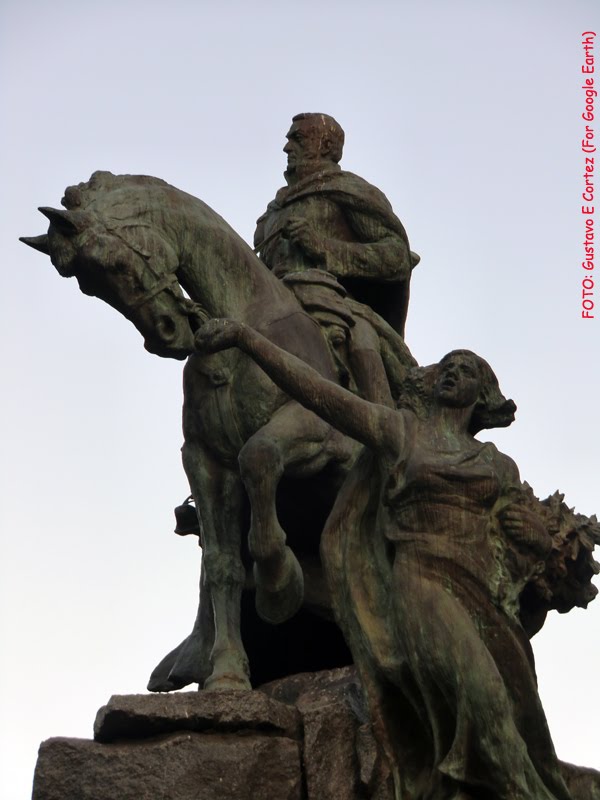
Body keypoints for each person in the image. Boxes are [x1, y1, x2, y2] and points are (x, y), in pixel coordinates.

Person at [194, 317, 573, 800]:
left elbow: (529, 540)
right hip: (423, 584)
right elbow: (315, 391)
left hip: (486, 599)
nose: (452, 372)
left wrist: (537, 535)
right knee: (485, 707)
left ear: (483, 395)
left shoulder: (497, 464)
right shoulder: (401, 432)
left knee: (523, 720)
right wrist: (247, 338)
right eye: (447, 367)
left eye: (467, 370)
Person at [254, 112, 419, 405]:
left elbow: (396, 257)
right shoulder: (273, 212)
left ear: (326, 145)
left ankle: (385, 431)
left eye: (297, 138)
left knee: (362, 343)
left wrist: (323, 246)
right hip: (272, 302)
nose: (287, 147)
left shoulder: (348, 190)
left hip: (334, 305)